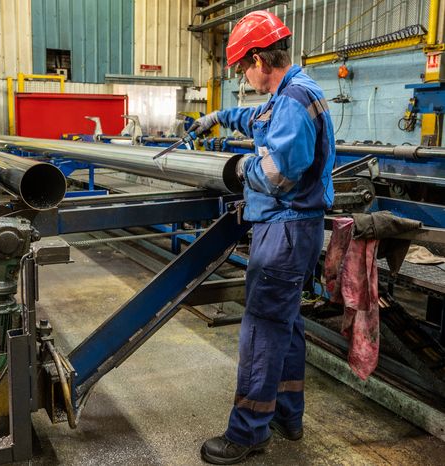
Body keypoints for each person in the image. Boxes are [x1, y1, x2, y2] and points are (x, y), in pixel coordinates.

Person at [192, 10, 336, 465]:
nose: (243, 77)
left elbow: (278, 175)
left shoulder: (293, 99)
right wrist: (216, 116)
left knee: (260, 332)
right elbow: (253, 117)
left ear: (259, 58)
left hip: (286, 229)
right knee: (286, 326)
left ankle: (248, 431)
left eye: (242, 68)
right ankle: (287, 415)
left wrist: (236, 169)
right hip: (295, 228)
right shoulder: (288, 93)